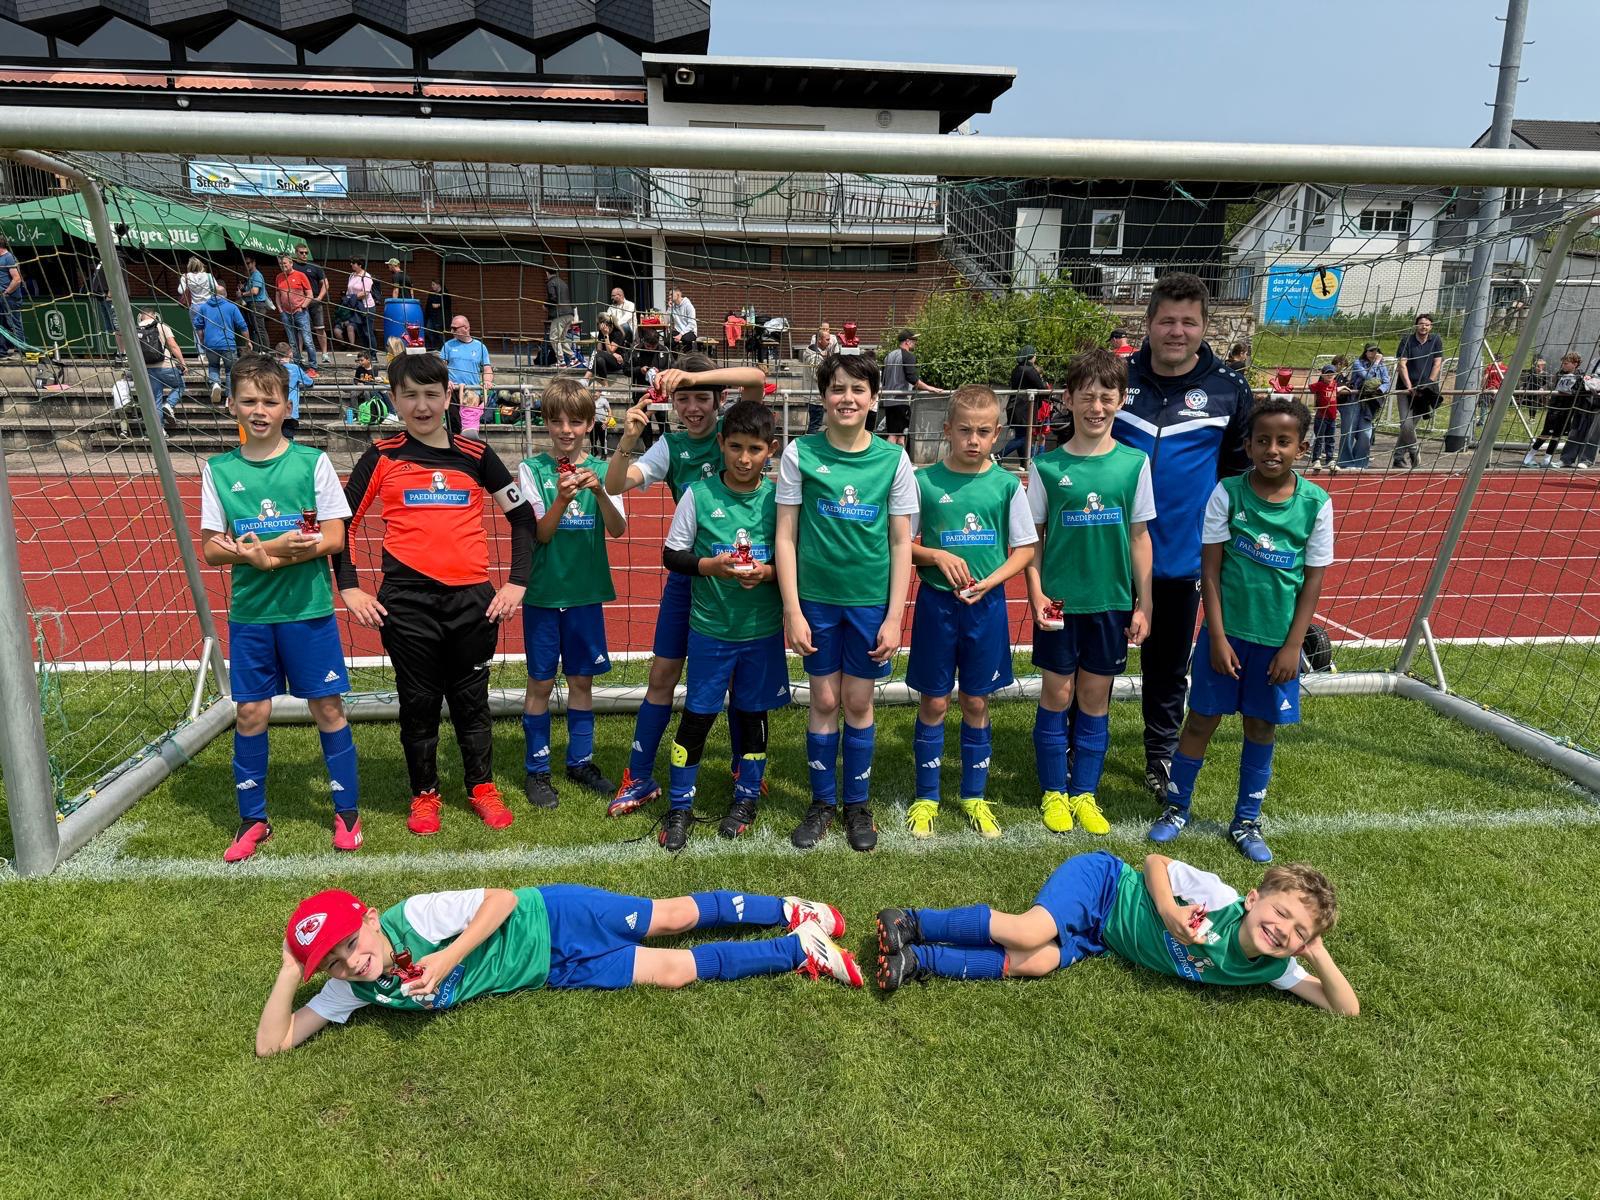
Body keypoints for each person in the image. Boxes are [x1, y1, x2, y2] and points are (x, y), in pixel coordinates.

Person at [255, 884, 861, 1056]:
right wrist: (290, 970)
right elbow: (273, 1044)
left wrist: (448, 956)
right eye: (331, 963)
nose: (350, 961)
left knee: (671, 918)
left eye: (349, 943)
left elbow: (501, 900)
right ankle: (799, 950)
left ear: (368, 918)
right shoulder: (353, 989)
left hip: (556, 916)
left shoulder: (413, 917)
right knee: (675, 972)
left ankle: (786, 910)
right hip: (554, 970)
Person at [334, 353, 533, 834]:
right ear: (394, 399)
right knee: (418, 702)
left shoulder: (476, 454)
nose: (421, 405)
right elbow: (341, 525)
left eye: (431, 394)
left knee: (471, 700)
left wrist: (516, 582)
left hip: (472, 602)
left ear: (448, 397)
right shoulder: (380, 456)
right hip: (407, 604)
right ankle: (424, 795)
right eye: (410, 395)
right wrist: (350, 589)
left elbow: (523, 517)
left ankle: (481, 786)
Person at [1148, 397, 1334, 864]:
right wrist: (1216, 636)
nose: (1273, 449)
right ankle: (1176, 808)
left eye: (1284, 441)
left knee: (1260, 725)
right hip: (1226, 637)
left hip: (1277, 644)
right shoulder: (1227, 493)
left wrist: (1293, 646)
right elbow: (1209, 571)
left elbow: (1312, 581)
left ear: (1301, 448)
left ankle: (1246, 821)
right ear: (1247, 445)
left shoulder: (1316, 504)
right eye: (1263, 440)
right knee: (1200, 721)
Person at [198, 353, 357, 862]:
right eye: (248, 400)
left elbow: (334, 538)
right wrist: (261, 553)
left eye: (269, 401)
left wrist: (279, 555)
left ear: (288, 406)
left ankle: (347, 813)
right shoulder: (219, 470)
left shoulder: (313, 462)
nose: (259, 410)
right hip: (252, 615)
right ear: (231, 406)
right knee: (250, 712)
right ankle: (253, 820)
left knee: (327, 708)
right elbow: (211, 548)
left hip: (307, 610)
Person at [872, 852, 1358, 1016]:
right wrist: (1169, 912)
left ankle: (918, 960)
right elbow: (1154, 862)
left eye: (1299, 932)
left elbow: (1344, 1008)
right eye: (1281, 913)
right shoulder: (1218, 899)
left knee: (1036, 962)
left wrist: (1317, 954)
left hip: (1102, 936)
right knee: (1026, 932)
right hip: (1104, 885)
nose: (1282, 930)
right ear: (1253, 899)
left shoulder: (1274, 967)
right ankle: (911, 922)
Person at [604, 357, 767, 817]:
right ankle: (639, 776)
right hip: (690, 575)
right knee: (663, 676)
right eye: (683, 399)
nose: (692, 407)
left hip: (739, 579)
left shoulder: (734, 432)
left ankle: (744, 768)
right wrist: (628, 439)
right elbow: (614, 484)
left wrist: (690, 376)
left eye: (701, 398)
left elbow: (756, 379)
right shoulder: (670, 447)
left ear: (719, 400)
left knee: (740, 681)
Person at [1111, 272, 1251, 798]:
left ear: (1204, 327)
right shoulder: (1116, 378)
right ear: (1148, 324)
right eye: (1167, 320)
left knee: (1167, 666)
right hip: (1107, 552)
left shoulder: (1229, 388)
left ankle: (1160, 755)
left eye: (1188, 322)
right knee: (1091, 660)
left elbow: (1238, 475)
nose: (1177, 331)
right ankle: (1077, 748)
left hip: (1181, 556)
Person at [776, 352, 918, 852]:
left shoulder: (893, 460)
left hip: (868, 603)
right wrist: (792, 609)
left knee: (858, 702)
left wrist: (894, 617)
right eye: (837, 388)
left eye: (858, 390)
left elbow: (901, 542)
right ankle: (821, 803)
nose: (847, 398)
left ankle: (857, 804)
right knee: (823, 700)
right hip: (816, 601)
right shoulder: (799, 454)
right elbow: (786, 537)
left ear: (874, 399)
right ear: (823, 396)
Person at [1026, 349, 1155, 836]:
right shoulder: (1046, 466)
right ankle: (1053, 792)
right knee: (1057, 692)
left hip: (1111, 600)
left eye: (1106, 397)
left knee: (1096, 697)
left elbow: (1140, 537)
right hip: (1060, 600)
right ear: (1068, 399)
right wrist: (1037, 593)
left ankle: (1084, 793)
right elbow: (1033, 540)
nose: (1096, 407)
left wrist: (1144, 604)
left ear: (1120, 400)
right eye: (1086, 396)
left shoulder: (1134, 463)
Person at [654, 399, 789, 849]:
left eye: (755, 449)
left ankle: (746, 798)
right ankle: (679, 805)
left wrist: (767, 573)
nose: (744, 459)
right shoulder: (698, 494)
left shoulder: (780, 499)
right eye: (735, 447)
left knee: (752, 716)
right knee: (697, 718)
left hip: (761, 632)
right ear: (720, 444)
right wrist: (710, 566)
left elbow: (796, 562)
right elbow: (672, 555)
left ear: (771, 450)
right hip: (711, 631)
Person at [905, 384, 1037, 839]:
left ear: (997, 433)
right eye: (964, 430)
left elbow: (1025, 549)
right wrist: (936, 555)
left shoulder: (1006, 485)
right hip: (937, 605)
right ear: (947, 430)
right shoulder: (924, 482)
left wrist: (990, 582)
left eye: (983, 431)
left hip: (987, 606)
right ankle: (926, 797)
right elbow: (900, 542)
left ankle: (974, 796)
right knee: (934, 700)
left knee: (977, 700)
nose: (973, 440)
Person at [518, 378, 627, 809]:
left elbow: (618, 529)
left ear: (589, 424)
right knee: (541, 683)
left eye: (576, 422)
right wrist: (561, 501)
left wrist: (599, 490)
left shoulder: (603, 470)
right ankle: (537, 769)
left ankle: (580, 762)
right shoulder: (531, 470)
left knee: (581, 680)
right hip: (544, 595)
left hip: (585, 595)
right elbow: (540, 534)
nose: (567, 430)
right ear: (546, 423)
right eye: (557, 421)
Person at [1392, 313, 1443, 469]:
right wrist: (1409, 386)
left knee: (1410, 426)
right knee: (1406, 424)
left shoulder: (1436, 340)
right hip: (1405, 389)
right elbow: (1402, 364)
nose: (1424, 327)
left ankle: (1398, 458)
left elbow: (1437, 363)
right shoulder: (1407, 340)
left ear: (1431, 326)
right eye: (1421, 324)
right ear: (1416, 325)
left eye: (1427, 324)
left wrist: (1428, 384)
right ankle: (1414, 451)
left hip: (1424, 390)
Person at [879, 328, 942, 446]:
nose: (915, 342)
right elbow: (912, 378)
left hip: (888, 401)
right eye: (914, 340)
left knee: (896, 435)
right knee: (897, 436)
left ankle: (897, 457)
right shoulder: (908, 356)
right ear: (907, 341)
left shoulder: (888, 356)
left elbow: (883, 379)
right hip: (900, 401)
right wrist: (930, 388)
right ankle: (894, 457)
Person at [192, 281, 251, 405]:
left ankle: (215, 383)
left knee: (213, 366)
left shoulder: (204, 307)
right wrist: (248, 341)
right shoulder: (231, 307)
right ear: (225, 294)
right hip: (228, 344)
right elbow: (242, 325)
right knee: (230, 371)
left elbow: (198, 326)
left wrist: (202, 341)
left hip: (210, 344)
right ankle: (229, 399)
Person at [134, 305, 188, 431]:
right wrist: (182, 363)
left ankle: (160, 430)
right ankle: (169, 404)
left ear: (141, 316)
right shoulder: (161, 326)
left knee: (156, 400)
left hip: (147, 368)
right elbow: (173, 346)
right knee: (180, 386)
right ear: (154, 315)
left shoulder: (135, 329)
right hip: (166, 366)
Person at [439, 315, 494, 437]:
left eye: (455, 328)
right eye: (451, 328)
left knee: (469, 427)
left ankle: (468, 447)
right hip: (453, 391)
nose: (451, 331)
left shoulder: (480, 347)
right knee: (454, 426)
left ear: (466, 328)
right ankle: (453, 447)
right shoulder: (448, 346)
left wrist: (487, 381)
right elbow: (440, 367)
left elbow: (487, 368)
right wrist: (445, 380)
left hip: (472, 394)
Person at [1526, 352, 1583, 468]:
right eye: (1563, 363)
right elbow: (1551, 384)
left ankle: (1547, 459)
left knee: (1557, 434)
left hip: (1567, 409)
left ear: (1575, 364)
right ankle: (1528, 458)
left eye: (1566, 363)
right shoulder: (1560, 374)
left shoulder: (1580, 375)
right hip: (1555, 407)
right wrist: (1543, 389)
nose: (1563, 365)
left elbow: (1579, 389)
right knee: (1546, 433)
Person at [1341, 343, 1388, 469]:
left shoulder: (1383, 366)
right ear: (1365, 352)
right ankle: (1345, 462)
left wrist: (1380, 390)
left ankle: (1360, 463)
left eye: (1376, 351)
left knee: (1366, 434)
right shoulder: (1358, 363)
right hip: (1354, 400)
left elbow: (1387, 382)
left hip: (1370, 402)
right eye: (1371, 351)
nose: (1374, 353)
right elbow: (1367, 377)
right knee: (1348, 432)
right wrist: (1376, 363)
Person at [274, 254, 318, 370]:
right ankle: (298, 365)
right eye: (280, 264)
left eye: (284, 263)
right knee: (292, 342)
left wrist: (303, 306)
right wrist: (280, 310)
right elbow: (277, 295)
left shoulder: (301, 275)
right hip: (286, 313)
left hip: (300, 312)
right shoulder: (279, 277)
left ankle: (313, 366)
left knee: (307, 340)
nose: (282, 266)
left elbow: (310, 294)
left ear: (291, 263)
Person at [1003, 346, 1047, 460]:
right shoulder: (1029, 370)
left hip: (1014, 406)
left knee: (1020, 436)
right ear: (1031, 356)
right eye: (1035, 354)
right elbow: (1041, 387)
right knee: (1024, 437)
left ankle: (1024, 462)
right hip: (1024, 408)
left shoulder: (1016, 369)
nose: (1036, 357)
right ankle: (999, 454)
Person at [1557, 353, 1599, 470]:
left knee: (1593, 433)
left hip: (1597, 402)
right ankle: (1566, 459)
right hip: (1585, 398)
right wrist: (1587, 378)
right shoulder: (1595, 361)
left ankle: (1586, 459)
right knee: (1575, 430)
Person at [800, 321, 840, 433]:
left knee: (815, 423)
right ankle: (809, 443)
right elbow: (818, 375)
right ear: (819, 340)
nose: (829, 342)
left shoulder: (816, 354)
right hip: (814, 397)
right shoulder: (814, 357)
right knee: (815, 425)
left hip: (815, 395)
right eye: (827, 340)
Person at [293, 244, 330, 359]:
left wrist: (320, 297)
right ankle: (300, 354)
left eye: (306, 253)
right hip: (299, 301)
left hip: (314, 300)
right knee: (300, 328)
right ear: (296, 253)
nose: (304, 255)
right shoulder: (292, 266)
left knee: (320, 328)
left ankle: (325, 354)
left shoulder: (315, 266)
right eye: (301, 252)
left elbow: (325, 283)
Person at [273, 341, 314, 440]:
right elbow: (309, 382)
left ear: (276, 355)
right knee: (288, 436)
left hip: (274, 409)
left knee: (275, 436)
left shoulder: (273, 368)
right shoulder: (295, 368)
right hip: (290, 411)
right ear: (290, 353)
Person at [87, 252, 124, 360]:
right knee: (113, 327)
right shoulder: (103, 259)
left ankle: (124, 353)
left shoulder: (114, 258)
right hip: (102, 297)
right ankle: (120, 351)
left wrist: (110, 293)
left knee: (118, 326)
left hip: (111, 298)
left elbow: (116, 276)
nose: (96, 247)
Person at [176, 256, 218, 351]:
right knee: (210, 328)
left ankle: (201, 352)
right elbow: (216, 289)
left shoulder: (185, 276)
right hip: (209, 306)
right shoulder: (208, 276)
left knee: (197, 330)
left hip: (195, 307)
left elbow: (180, 290)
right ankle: (211, 350)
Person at [1307, 362, 1341, 472]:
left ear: (1335, 375)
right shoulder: (1320, 385)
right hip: (1321, 417)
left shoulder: (1335, 384)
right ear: (1322, 375)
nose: (1330, 375)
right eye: (1327, 373)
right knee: (1319, 439)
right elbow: (1309, 388)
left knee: (1331, 439)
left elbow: (1337, 390)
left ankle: (1330, 460)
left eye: (1332, 373)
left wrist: (1344, 387)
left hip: (1332, 418)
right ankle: (1316, 459)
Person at [341, 259, 376, 352]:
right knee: (360, 332)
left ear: (360, 265)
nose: (351, 264)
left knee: (367, 332)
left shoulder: (366, 276)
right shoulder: (351, 275)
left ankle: (373, 354)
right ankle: (366, 353)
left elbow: (365, 292)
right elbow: (349, 290)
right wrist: (348, 299)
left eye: (353, 263)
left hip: (366, 307)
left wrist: (352, 297)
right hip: (355, 307)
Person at [240, 254, 271, 352]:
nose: (246, 265)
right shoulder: (251, 276)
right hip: (253, 305)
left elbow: (255, 291)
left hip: (257, 305)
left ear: (254, 263)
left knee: (259, 329)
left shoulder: (256, 275)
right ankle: (258, 351)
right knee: (255, 329)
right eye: (245, 263)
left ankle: (265, 351)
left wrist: (242, 294)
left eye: (248, 263)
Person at [0, 234, 23, 357]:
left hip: (10, 298)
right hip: (2, 297)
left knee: (14, 324)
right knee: (2, 325)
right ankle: (2, 351)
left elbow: (17, 279)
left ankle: (20, 351)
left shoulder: (9, 258)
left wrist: (6, 292)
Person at [546, 268, 572, 364]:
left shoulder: (551, 282)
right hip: (569, 314)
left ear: (547, 273)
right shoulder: (563, 282)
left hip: (560, 314)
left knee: (554, 338)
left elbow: (553, 298)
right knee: (561, 338)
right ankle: (573, 357)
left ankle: (561, 361)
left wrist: (545, 305)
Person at [422, 280, 446, 352]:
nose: (432, 286)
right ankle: (433, 346)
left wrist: (439, 305)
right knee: (428, 331)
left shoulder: (444, 294)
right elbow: (428, 306)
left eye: (433, 284)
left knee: (440, 333)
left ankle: (443, 348)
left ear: (438, 285)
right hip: (431, 317)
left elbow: (447, 305)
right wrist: (426, 316)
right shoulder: (431, 294)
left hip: (439, 318)